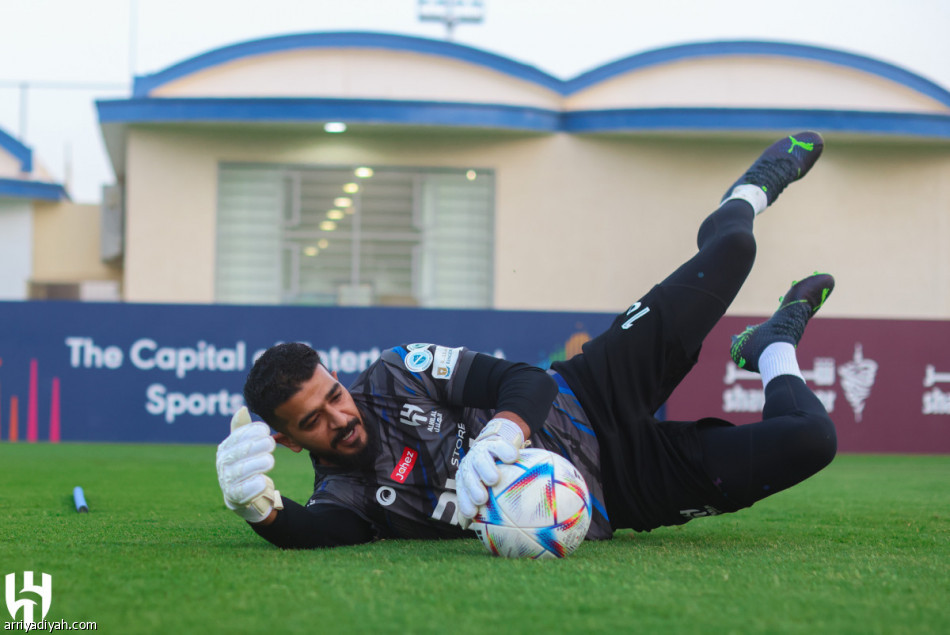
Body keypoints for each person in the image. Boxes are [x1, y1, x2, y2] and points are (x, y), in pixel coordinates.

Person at [215, 132, 838, 550]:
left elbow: (527, 380)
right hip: (618, 491)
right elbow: (312, 530)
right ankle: (774, 348)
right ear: (287, 442)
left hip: (592, 388)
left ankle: (747, 193)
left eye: (331, 395)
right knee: (812, 440)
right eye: (313, 421)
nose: (338, 416)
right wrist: (261, 512)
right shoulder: (349, 496)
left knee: (734, 248)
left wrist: (504, 431)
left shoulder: (394, 373)